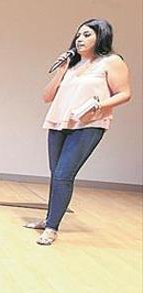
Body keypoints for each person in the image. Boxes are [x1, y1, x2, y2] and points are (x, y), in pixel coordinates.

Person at [28, 19, 132, 246]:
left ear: (100, 37)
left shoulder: (111, 62)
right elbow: (46, 97)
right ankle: (49, 219)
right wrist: (63, 70)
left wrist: (98, 105)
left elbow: (124, 93)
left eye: (86, 34)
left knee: (64, 174)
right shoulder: (72, 66)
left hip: (88, 125)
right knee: (56, 175)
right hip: (58, 123)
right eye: (78, 35)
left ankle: (52, 228)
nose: (80, 39)